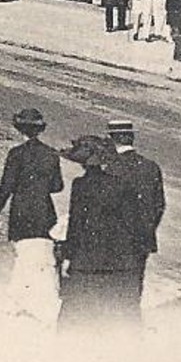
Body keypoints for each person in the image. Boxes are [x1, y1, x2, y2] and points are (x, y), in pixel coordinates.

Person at [57, 135, 147, 329]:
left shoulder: (80, 186)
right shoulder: (121, 185)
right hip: (117, 259)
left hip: (87, 260)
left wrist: (67, 256)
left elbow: (76, 225)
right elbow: (132, 223)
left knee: (75, 314)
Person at [0, 108, 64, 324]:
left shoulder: (16, 154)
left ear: (19, 129)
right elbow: (57, 186)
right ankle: (41, 304)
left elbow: (6, 187)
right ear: (40, 129)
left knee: (23, 256)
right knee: (42, 258)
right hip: (44, 211)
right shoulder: (51, 153)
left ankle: (21, 302)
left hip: (21, 210)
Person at [102, 118, 165, 312]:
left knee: (110, 290)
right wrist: (147, 229)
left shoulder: (110, 168)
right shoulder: (151, 167)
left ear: (113, 139)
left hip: (114, 240)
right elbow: (159, 205)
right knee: (133, 291)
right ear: (132, 138)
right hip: (141, 239)